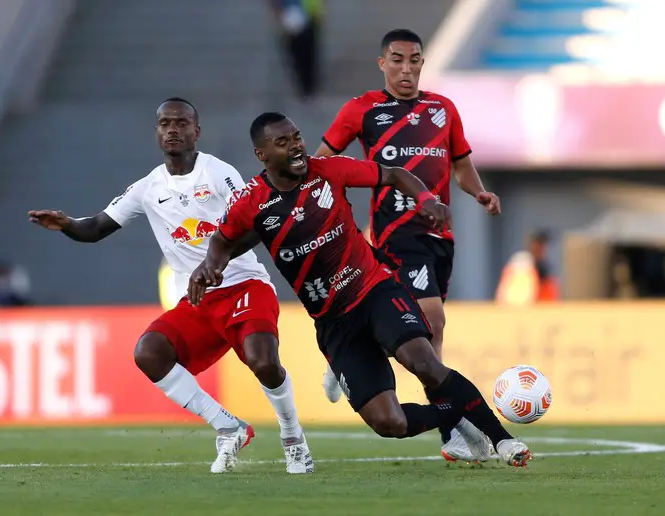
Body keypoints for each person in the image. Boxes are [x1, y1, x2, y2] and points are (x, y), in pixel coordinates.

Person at [189, 112, 531, 467]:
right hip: (334, 322)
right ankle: (452, 415)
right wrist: (210, 266)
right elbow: (222, 241)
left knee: (423, 362)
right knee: (389, 422)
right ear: (262, 154)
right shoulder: (250, 201)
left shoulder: (330, 170)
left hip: (375, 290)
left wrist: (426, 199)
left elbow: (395, 174)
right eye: (282, 142)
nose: (295, 146)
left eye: (296, 137)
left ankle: (503, 441)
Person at [27, 98, 313, 475]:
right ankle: (229, 428)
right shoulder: (148, 187)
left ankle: (293, 438)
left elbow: (259, 221)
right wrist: (67, 224)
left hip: (244, 284)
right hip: (197, 300)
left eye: (181, 123)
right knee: (149, 352)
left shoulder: (217, 173)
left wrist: (216, 262)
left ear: (197, 131)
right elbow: (96, 227)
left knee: (263, 362)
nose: (173, 129)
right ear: (157, 132)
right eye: (165, 123)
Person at [315, 28, 501, 463]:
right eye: (397, 59)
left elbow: (461, 165)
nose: (406, 68)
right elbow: (324, 162)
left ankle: (354, 350)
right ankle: (453, 430)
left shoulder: (443, 109)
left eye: (414, 59)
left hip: (440, 238)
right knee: (430, 320)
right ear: (383, 63)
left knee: (425, 331)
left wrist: (479, 192)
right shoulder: (361, 109)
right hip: (394, 233)